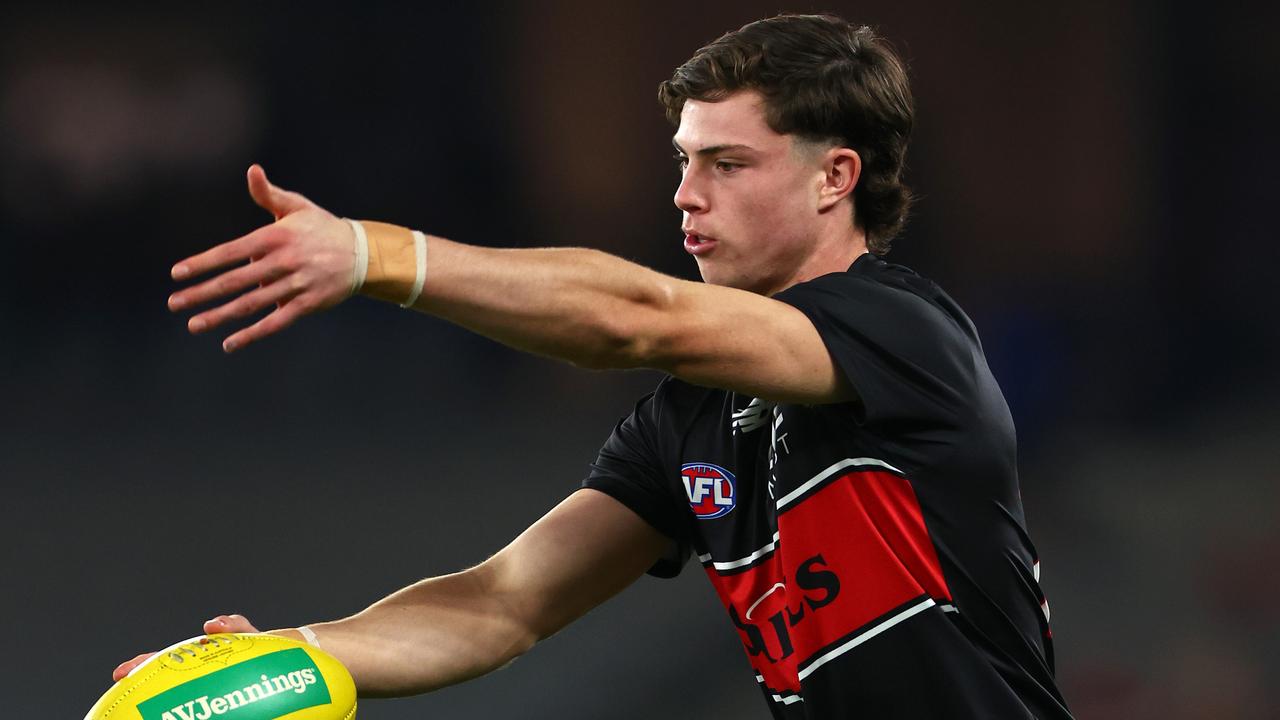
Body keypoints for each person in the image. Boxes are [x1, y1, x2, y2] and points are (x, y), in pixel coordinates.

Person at [115, 14, 1071, 719]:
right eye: (683, 159)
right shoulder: (685, 423)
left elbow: (636, 318)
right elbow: (501, 604)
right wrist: (293, 660)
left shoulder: (905, 331)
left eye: (726, 165)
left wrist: (373, 256)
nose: (684, 194)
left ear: (836, 177)